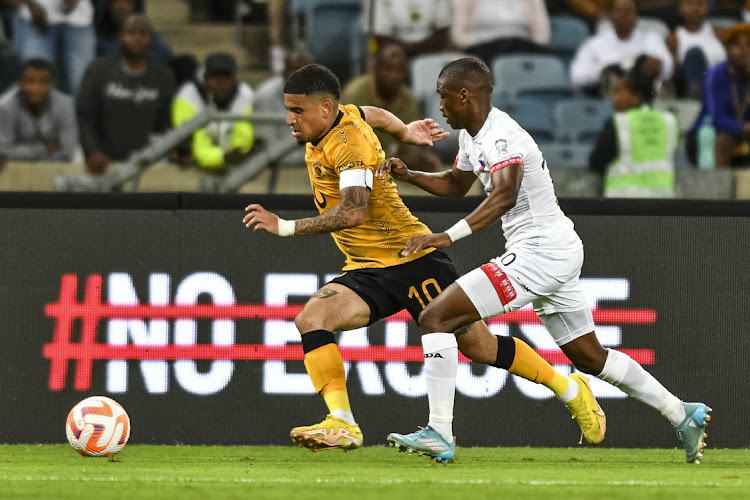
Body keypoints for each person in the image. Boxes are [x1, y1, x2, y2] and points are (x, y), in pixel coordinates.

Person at [243, 63, 606, 462]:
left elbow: (352, 213)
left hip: (413, 259)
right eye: (288, 109)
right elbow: (372, 113)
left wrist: (286, 228)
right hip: (366, 267)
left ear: (326, 108)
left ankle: (570, 389)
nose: (289, 120)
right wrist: (404, 131)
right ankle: (342, 421)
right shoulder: (344, 117)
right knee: (312, 319)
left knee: (480, 347)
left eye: (297, 111)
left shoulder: (349, 146)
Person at [377, 57, 711, 465]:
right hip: (554, 250)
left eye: (444, 97)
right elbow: (455, 183)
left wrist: (447, 235)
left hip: (540, 252)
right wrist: (409, 175)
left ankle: (440, 432)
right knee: (590, 357)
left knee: (435, 317)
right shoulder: (473, 137)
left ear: (465, 95)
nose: (440, 107)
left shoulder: (503, 137)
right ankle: (682, 413)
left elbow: (502, 197)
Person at [76, 13, 174, 174]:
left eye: (143, 33)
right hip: (102, 161)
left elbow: (164, 123)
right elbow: (86, 117)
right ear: (119, 38)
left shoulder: (163, 76)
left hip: (146, 162)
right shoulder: (98, 70)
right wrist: (92, 151)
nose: (138, 39)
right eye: (131, 33)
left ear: (150, 39)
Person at [342, 44, 443, 172]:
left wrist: (420, 159)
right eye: (387, 69)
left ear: (405, 73)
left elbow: (410, 146)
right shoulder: (355, 94)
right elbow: (351, 147)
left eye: (398, 70)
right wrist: (400, 160)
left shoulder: (408, 99)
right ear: (375, 69)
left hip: (388, 168)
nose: (393, 76)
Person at [589, 69, 678, 197]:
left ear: (637, 96)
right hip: (662, 200)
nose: (614, 98)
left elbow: (597, 161)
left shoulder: (618, 122)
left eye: (619, 91)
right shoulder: (669, 121)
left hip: (624, 202)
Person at [570, 0, 673, 96]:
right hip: (609, 97)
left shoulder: (651, 39)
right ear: (611, 15)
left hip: (644, 95)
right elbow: (577, 76)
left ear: (636, 15)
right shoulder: (595, 44)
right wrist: (601, 72)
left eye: (628, 11)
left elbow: (669, 66)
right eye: (619, 11)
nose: (624, 15)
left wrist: (660, 65)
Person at [171, 52, 255, 170]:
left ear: (233, 79)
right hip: (196, 168)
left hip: (233, 166)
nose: (220, 83)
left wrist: (235, 154)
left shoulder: (244, 94)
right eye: (215, 78)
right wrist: (223, 158)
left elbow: (243, 137)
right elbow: (194, 145)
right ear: (205, 78)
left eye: (226, 78)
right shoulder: (187, 96)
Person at [687, 23, 750, 167]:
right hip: (706, 136)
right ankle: (716, 187)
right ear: (727, 49)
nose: (745, 51)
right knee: (724, 138)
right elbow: (715, 117)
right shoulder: (715, 73)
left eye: (749, 45)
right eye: (738, 46)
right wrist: (743, 128)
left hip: (744, 135)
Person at [0, 57, 77, 168]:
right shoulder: (4, 106)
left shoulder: (65, 105)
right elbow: (3, 151)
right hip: (15, 170)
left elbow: (68, 150)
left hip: (54, 169)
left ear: (52, 83)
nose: (36, 88)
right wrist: (44, 148)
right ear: (19, 83)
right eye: (30, 81)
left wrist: (41, 164)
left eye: (43, 82)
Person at [10, 0, 96, 95]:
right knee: (35, 83)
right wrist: (30, 5)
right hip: (34, 17)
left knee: (82, 84)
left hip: (79, 18)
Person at [450, 0, 551, 65]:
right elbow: (458, 36)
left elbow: (542, 36)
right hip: (483, 50)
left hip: (521, 48)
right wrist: (489, 41)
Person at [666, 0, 726, 99]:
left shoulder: (720, 33)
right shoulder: (673, 39)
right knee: (694, 55)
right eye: (689, 4)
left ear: (707, 8)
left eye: (699, 4)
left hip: (719, 85)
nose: (695, 9)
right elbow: (672, 72)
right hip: (687, 90)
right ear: (680, 9)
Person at [361, 0, 452, 58]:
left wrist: (416, 50)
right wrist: (407, 51)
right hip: (391, 56)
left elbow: (443, 31)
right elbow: (379, 37)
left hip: (430, 52)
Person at [94, 0, 172, 64]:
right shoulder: (95, 31)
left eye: (128, 2)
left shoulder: (141, 27)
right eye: (117, 1)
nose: (123, 7)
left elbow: (164, 53)